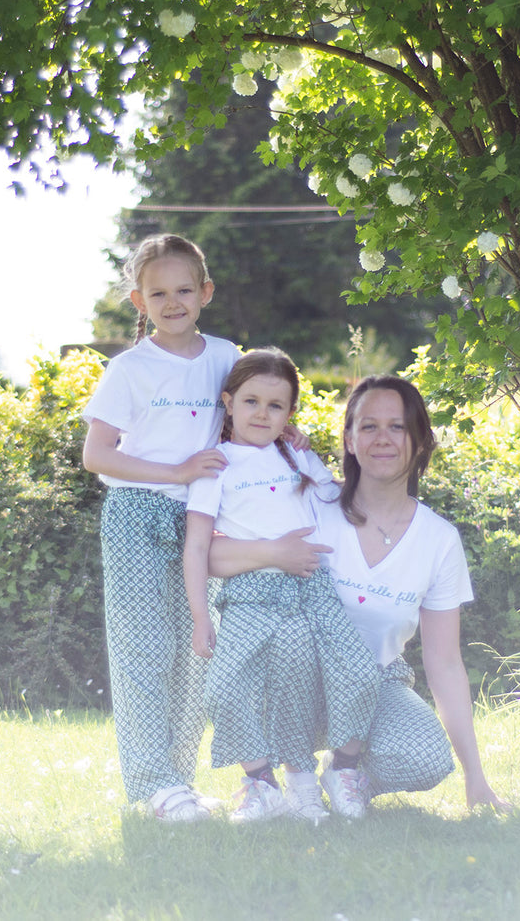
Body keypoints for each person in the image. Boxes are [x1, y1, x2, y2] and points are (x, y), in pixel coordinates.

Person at [209, 375, 508, 815]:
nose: (382, 439)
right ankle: (278, 780)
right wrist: (275, 551)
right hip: (292, 681)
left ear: (421, 440)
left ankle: (346, 772)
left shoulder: (438, 540)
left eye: (398, 427)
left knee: (425, 759)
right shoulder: (311, 503)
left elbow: (444, 663)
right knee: (288, 645)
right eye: (368, 426)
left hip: (376, 680)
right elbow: (211, 555)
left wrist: (476, 778)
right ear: (349, 439)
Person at [80, 233, 242, 823]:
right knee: (145, 651)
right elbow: (97, 454)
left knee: (200, 649)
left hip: (204, 518)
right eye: (158, 293)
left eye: (183, 289)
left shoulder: (227, 356)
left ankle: (181, 781)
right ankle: (152, 783)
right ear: (138, 302)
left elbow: (249, 422)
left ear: (205, 292)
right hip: (137, 515)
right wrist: (173, 470)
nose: (173, 302)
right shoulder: (129, 370)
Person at [182, 349, 379, 824]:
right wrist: (201, 616)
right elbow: (195, 546)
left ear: (290, 413)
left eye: (276, 406)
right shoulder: (216, 465)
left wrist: (306, 452)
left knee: (354, 675)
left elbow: (335, 499)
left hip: (312, 588)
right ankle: (262, 782)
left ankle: (329, 774)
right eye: (250, 401)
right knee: (223, 689)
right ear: (228, 402)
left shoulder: (294, 457)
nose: (261, 414)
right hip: (250, 594)